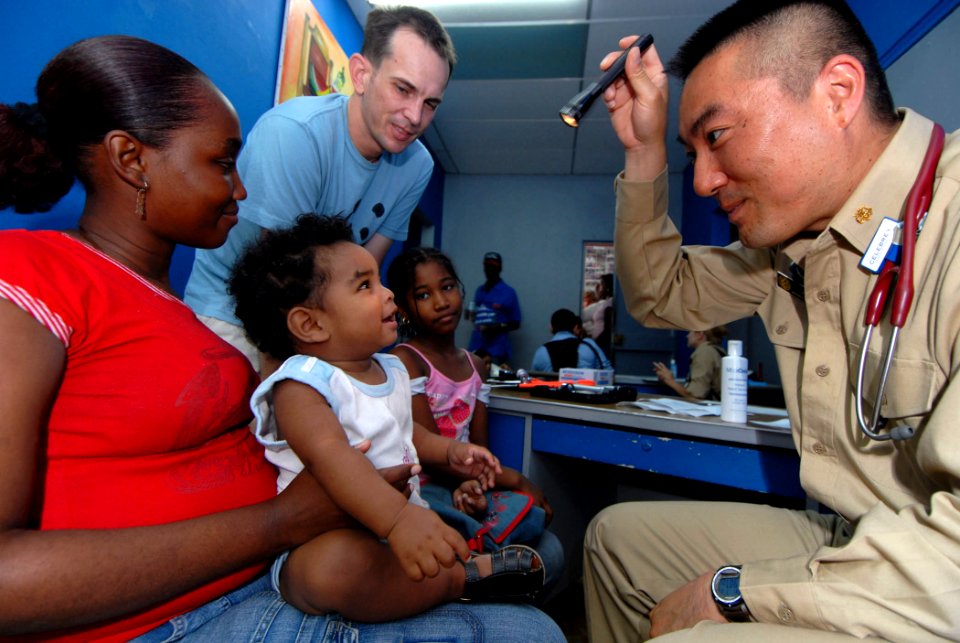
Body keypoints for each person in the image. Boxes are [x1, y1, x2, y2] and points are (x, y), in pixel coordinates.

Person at [0, 35, 564, 642]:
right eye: (221, 163)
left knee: (544, 558)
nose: (240, 189)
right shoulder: (29, 277)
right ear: (132, 161)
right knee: (529, 632)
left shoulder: (181, 317)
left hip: (268, 564)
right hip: (187, 610)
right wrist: (280, 523)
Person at [583, 0, 960, 641]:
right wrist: (645, 152)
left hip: (937, 561)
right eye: (691, 150)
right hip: (858, 528)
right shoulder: (792, 248)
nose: (701, 181)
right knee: (616, 541)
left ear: (837, 94)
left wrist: (735, 594)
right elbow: (659, 294)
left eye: (718, 136)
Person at [228, 215, 547, 621]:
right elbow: (331, 456)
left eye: (380, 281)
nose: (388, 294)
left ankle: (434, 576)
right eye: (365, 285)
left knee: (418, 548)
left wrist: (451, 451)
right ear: (310, 323)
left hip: (402, 525)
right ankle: (458, 581)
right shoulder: (301, 386)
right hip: (328, 535)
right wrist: (397, 521)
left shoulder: (391, 369)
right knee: (331, 569)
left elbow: (406, 430)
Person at [184, 5, 456, 370]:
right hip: (233, 314)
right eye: (403, 89)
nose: (415, 116)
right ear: (361, 74)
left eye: (430, 103)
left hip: (320, 314)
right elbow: (282, 284)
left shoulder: (417, 165)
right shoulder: (295, 134)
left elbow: (364, 267)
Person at [386, 246, 565, 589]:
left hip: (465, 484)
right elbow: (427, 452)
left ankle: (475, 557)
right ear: (406, 309)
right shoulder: (406, 360)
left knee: (542, 533)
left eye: (448, 287)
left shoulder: (475, 365)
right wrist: (515, 480)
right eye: (424, 295)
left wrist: (476, 486)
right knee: (525, 536)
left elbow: (479, 449)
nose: (441, 301)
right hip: (422, 492)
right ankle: (468, 566)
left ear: (461, 290)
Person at [467, 251, 522, 365]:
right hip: (476, 347)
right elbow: (474, 316)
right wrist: (469, 314)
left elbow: (516, 323)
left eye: (493, 267)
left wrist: (495, 327)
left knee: (495, 380)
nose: (489, 270)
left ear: (499, 269)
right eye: (487, 266)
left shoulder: (508, 292)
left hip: (496, 350)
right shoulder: (479, 291)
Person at [652, 326, 728, 400]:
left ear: (699, 334)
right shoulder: (716, 350)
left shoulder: (704, 353)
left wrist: (670, 380)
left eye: (690, 332)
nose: (687, 336)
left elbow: (695, 395)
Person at [531, 308, 612, 373]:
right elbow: (608, 372)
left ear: (551, 328)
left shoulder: (541, 351)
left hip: (552, 393)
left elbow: (534, 380)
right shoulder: (589, 345)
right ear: (575, 327)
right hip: (586, 392)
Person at [582, 272, 614, 354]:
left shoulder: (608, 304)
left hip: (601, 346)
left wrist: (595, 344)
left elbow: (608, 330)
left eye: (601, 285)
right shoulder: (606, 303)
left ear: (607, 287)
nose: (598, 288)